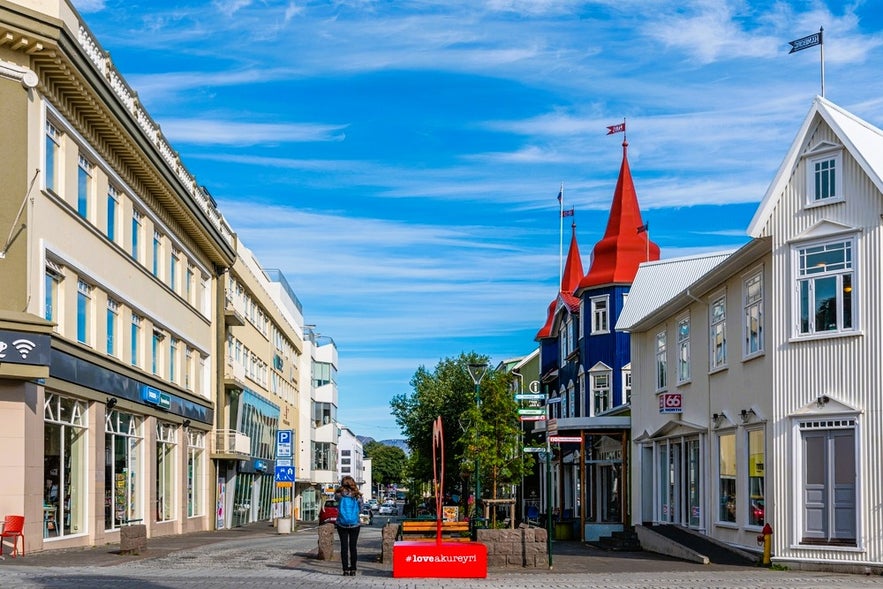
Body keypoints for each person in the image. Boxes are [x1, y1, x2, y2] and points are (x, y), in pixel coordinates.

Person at [334, 475, 363, 576]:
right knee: (353, 547)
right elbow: (361, 509)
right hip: (355, 524)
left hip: (341, 523)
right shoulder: (357, 495)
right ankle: (353, 569)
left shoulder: (339, 495)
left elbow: (336, 500)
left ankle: (345, 570)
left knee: (344, 547)